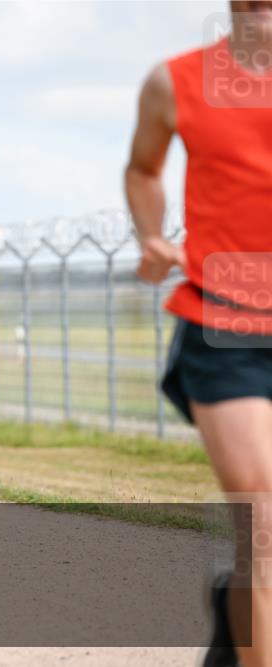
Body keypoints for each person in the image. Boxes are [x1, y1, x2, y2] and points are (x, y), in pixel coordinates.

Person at [125, 5, 271, 665]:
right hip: (226, 320)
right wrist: (153, 236)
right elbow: (145, 168)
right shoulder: (175, 82)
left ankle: (234, 627)